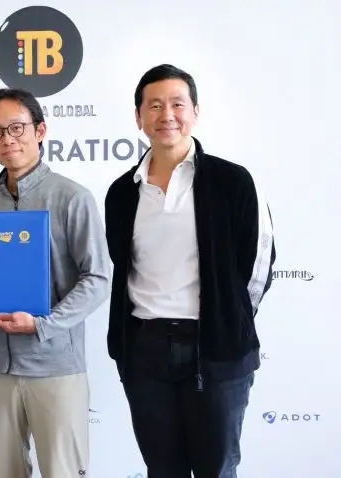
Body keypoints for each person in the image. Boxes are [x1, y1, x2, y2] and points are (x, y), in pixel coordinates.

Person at [104, 63, 276, 478]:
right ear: (139, 117)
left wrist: (228, 318)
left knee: (217, 469)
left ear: (195, 112)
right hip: (144, 350)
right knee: (163, 469)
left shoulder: (233, 181)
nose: (167, 115)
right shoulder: (122, 192)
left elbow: (258, 263)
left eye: (177, 104)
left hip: (214, 349)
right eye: (154, 105)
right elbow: (122, 263)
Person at [0, 88, 111, 478]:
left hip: (55, 366)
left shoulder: (72, 198)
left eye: (16, 128)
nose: (7, 139)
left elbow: (97, 279)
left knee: (62, 472)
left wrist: (43, 324)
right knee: (5, 472)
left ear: (40, 130)